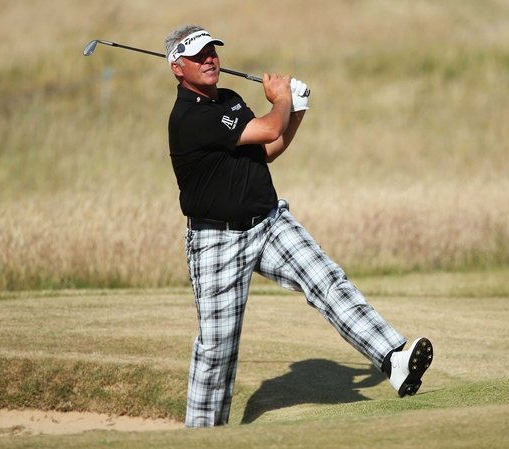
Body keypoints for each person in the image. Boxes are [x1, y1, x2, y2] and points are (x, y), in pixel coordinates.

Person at [164, 24, 433, 428]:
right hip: (215, 240)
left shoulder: (232, 100)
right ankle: (201, 435)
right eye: (198, 55)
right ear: (177, 68)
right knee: (216, 349)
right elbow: (271, 126)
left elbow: (267, 150)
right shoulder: (188, 117)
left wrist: (297, 111)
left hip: (269, 223)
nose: (209, 59)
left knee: (328, 281)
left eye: (212, 51)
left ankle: (393, 358)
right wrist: (282, 99)